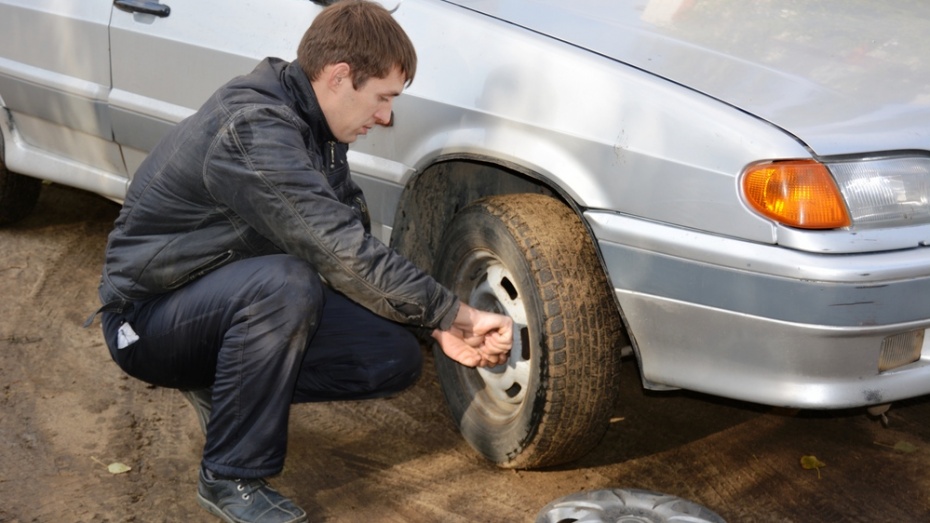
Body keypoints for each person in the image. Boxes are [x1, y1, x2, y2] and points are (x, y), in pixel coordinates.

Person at [92, 2, 513, 522]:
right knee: (284, 284)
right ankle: (230, 476)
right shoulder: (254, 129)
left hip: (217, 303)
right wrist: (453, 314)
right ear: (339, 77)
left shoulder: (312, 121)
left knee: (395, 353)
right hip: (145, 321)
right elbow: (337, 246)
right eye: (382, 98)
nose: (385, 117)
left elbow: (350, 239)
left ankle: (227, 386)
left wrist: (431, 323)